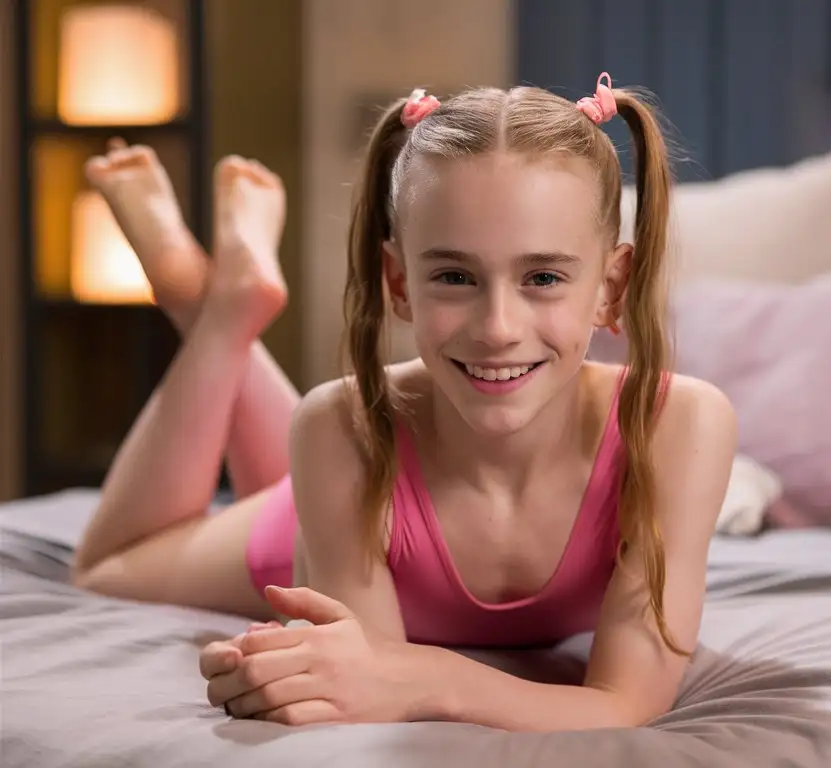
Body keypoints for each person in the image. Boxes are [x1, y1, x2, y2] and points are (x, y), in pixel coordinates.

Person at [71, 73, 737, 732]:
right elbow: (367, 681)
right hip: (321, 519)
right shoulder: (338, 429)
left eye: (542, 277)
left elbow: (623, 704)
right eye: (454, 276)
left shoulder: (681, 425)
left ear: (611, 287)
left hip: (363, 480)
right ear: (399, 281)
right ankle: (218, 315)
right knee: (105, 566)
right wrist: (398, 676)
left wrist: (430, 677)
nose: (498, 327)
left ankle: (216, 304)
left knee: (332, 432)